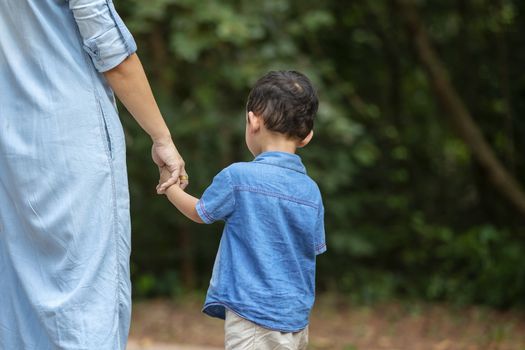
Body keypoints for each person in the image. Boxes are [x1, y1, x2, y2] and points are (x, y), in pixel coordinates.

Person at [0, 1, 185, 349]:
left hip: (11, 143)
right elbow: (111, 50)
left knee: (19, 292)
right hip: (72, 138)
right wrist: (162, 137)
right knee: (86, 293)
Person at [158, 70, 326, 350]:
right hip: (296, 321)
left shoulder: (239, 177)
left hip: (253, 314)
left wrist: (170, 186)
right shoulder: (311, 191)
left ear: (252, 121)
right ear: (307, 136)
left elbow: (200, 212)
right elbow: (311, 249)